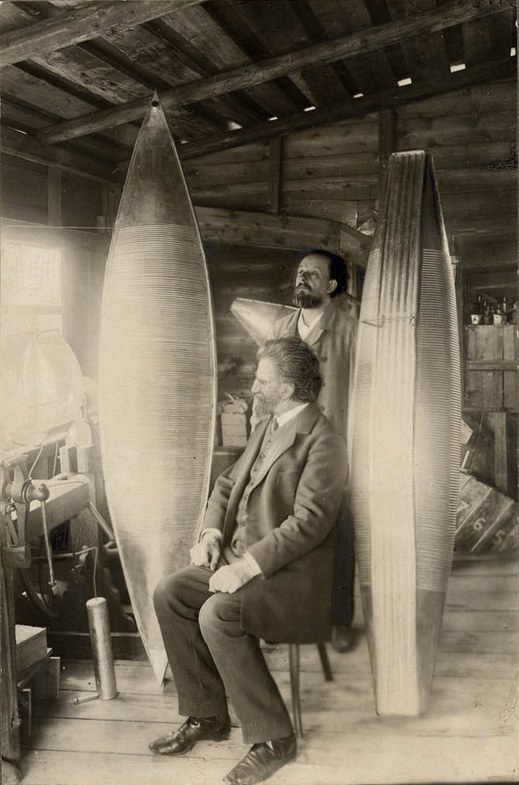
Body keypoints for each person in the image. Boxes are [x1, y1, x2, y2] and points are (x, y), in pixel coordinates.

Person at [150, 337, 347, 785]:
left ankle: (275, 739)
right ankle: (208, 717)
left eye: (263, 380)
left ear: (290, 386)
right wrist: (210, 534)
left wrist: (245, 566)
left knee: (218, 613)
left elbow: (310, 524)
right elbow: (225, 484)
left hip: (290, 579)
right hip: (240, 561)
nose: (254, 386)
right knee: (171, 593)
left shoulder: (324, 441)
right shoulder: (269, 425)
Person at [269, 249, 358, 653]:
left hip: (334, 446)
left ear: (333, 286)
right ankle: (283, 614)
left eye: (313, 274)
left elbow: (365, 393)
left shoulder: (352, 329)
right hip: (288, 444)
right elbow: (266, 385)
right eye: (300, 271)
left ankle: (337, 619)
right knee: (281, 525)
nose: (302, 278)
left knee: (337, 532)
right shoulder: (280, 328)